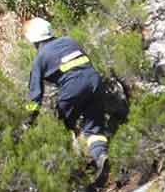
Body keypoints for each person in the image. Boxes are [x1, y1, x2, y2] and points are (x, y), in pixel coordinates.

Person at [23, 17, 111, 185]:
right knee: (94, 128)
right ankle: (100, 156)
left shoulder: (40, 57)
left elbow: (35, 95)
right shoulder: (70, 40)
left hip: (73, 88)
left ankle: (70, 170)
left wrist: (29, 119)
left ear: (33, 39)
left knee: (60, 127)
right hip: (94, 81)